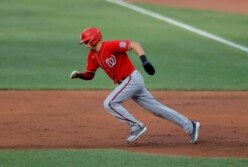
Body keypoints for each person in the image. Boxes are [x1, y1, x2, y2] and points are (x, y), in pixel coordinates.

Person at [70, 27, 200, 144]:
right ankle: (190, 126)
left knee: (109, 103)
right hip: (128, 84)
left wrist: (144, 60)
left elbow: (134, 44)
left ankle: (136, 126)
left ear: (93, 39)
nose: (85, 45)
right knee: (157, 110)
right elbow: (90, 75)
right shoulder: (92, 56)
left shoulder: (110, 46)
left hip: (132, 79)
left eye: (86, 42)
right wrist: (80, 75)